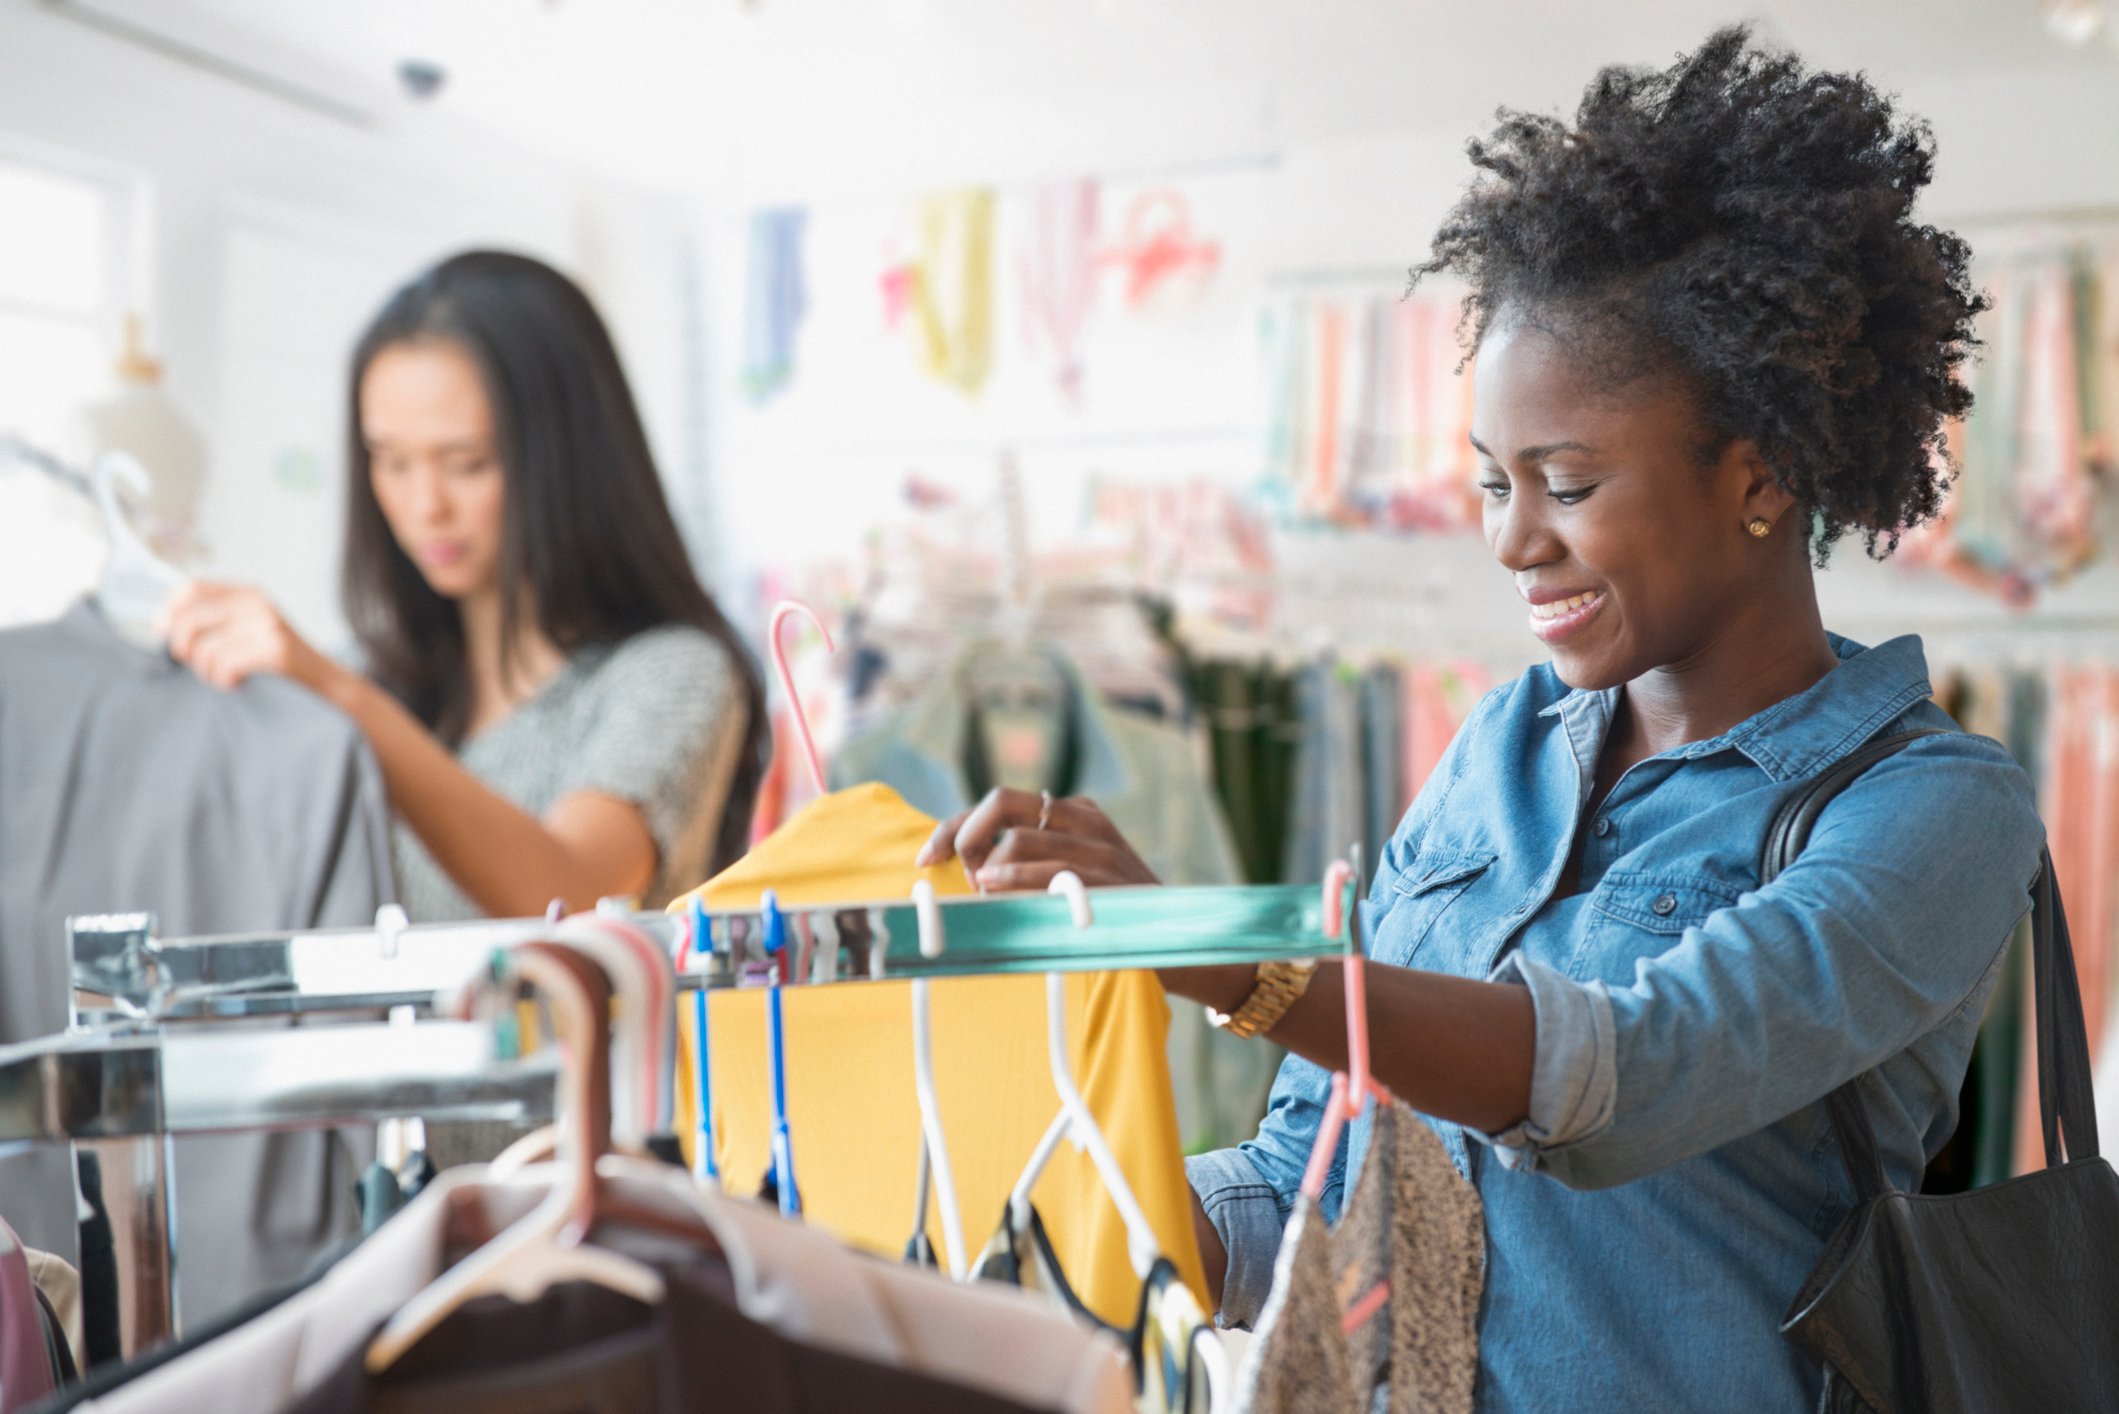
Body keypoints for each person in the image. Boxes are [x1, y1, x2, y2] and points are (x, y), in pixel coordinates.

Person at [916, 29, 2044, 1411]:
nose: (1512, 544)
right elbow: (1302, 1186)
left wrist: (1216, 953)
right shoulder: (1496, 749)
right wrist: (1046, 1186)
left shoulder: (1930, 808)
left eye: (1562, 483)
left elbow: (1621, 1076)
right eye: (1490, 482)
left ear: (1761, 476)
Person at [164, 250, 768, 922]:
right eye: (390, 461)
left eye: (466, 463)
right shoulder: (372, 674)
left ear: (567, 457)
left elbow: (567, 897)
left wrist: (347, 702)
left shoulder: (672, 674)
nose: (424, 506)